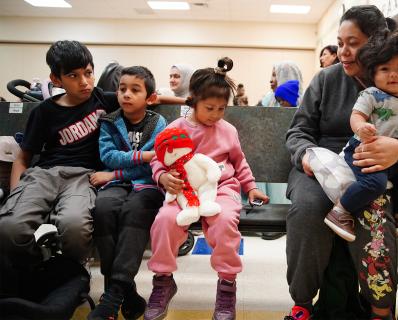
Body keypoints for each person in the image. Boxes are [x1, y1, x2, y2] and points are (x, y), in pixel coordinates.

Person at [284, 5, 398, 320]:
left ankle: (378, 308)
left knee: (376, 216)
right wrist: (306, 157)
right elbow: (298, 132)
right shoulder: (326, 79)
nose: (343, 52)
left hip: (377, 170)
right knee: (308, 210)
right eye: (340, 43)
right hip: (323, 165)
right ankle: (302, 305)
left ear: (377, 41)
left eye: (353, 43)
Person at [144, 57, 269, 320]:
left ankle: (226, 286)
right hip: (183, 190)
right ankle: (163, 280)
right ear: (193, 100)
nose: (215, 115)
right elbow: (158, 158)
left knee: (224, 221)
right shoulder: (176, 128)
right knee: (164, 221)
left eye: (221, 109)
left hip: (222, 187)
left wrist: (252, 187)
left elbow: (239, 161)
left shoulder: (228, 131)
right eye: (209, 108)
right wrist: (163, 177)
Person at [0, 40, 119, 295]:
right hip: (43, 175)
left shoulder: (102, 99)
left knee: (75, 226)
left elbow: (142, 96)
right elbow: (23, 158)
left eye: (88, 73)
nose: (85, 82)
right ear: (56, 78)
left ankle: (74, 276)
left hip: (82, 176)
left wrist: (186, 100)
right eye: (73, 76)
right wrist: (15, 195)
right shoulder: (43, 112)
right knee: (9, 228)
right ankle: (38, 266)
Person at [325, 29, 398, 242]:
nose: (394, 74)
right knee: (375, 184)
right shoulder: (371, 94)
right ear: (373, 73)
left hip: (389, 158)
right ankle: (340, 211)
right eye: (385, 69)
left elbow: (394, 122)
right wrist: (360, 126)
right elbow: (356, 116)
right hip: (362, 152)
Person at [87, 66, 167, 320]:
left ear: (150, 97)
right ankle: (123, 289)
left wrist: (117, 172)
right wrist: (140, 156)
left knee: (134, 211)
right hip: (115, 186)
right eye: (122, 89)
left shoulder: (158, 123)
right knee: (104, 209)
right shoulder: (110, 122)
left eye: (135, 90)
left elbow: (153, 164)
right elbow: (108, 156)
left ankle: (112, 295)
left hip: (147, 185)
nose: (126, 95)